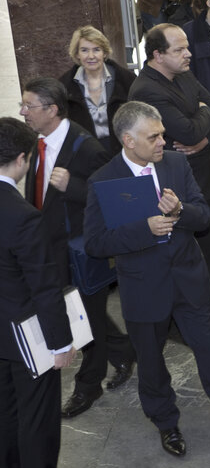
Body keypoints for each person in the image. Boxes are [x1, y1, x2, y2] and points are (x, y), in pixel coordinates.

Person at [83, 101, 210, 457]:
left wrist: (180, 211)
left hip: (188, 281)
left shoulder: (177, 164)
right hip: (143, 289)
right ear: (128, 140)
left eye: (162, 133)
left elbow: (205, 216)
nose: (163, 141)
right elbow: (95, 243)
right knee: (151, 363)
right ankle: (166, 423)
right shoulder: (103, 181)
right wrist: (144, 230)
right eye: (154, 136)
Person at [20, 78, 135, 418]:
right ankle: (124, 349)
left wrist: (74, 186)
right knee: (82, 314)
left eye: (30, 106)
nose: (24, 112)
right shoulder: (35, 142)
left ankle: (89, 385)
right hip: (51, 247)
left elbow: (116, 198)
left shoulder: (85, 147)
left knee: (85, 318)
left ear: (52, 110)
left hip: (82, 251)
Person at [0, 117, 91, 468]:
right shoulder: (23, 216)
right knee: (37, 411)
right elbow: (44, 287)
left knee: (4, 407)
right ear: (21, 160)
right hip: (25, 332)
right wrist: (60, 344)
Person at [129, 23, 210, 317]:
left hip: (203, 171)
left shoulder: (184, 73)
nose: (189, 54)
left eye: (187, 46)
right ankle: (195, 309)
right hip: (172, 181)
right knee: (189, 248)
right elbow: (186, 132)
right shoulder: (146, 90)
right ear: (157, 55)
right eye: (179, 50)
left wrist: (203, 136)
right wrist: (201, 119)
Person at [59, 26, 137, 155]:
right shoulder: (64, 85)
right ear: (77, 54)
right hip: (86, 154)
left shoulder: (127, 80)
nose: (91, 56)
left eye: (96, 50)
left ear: (105, 53)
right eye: (84, 50)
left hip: (125, 150)